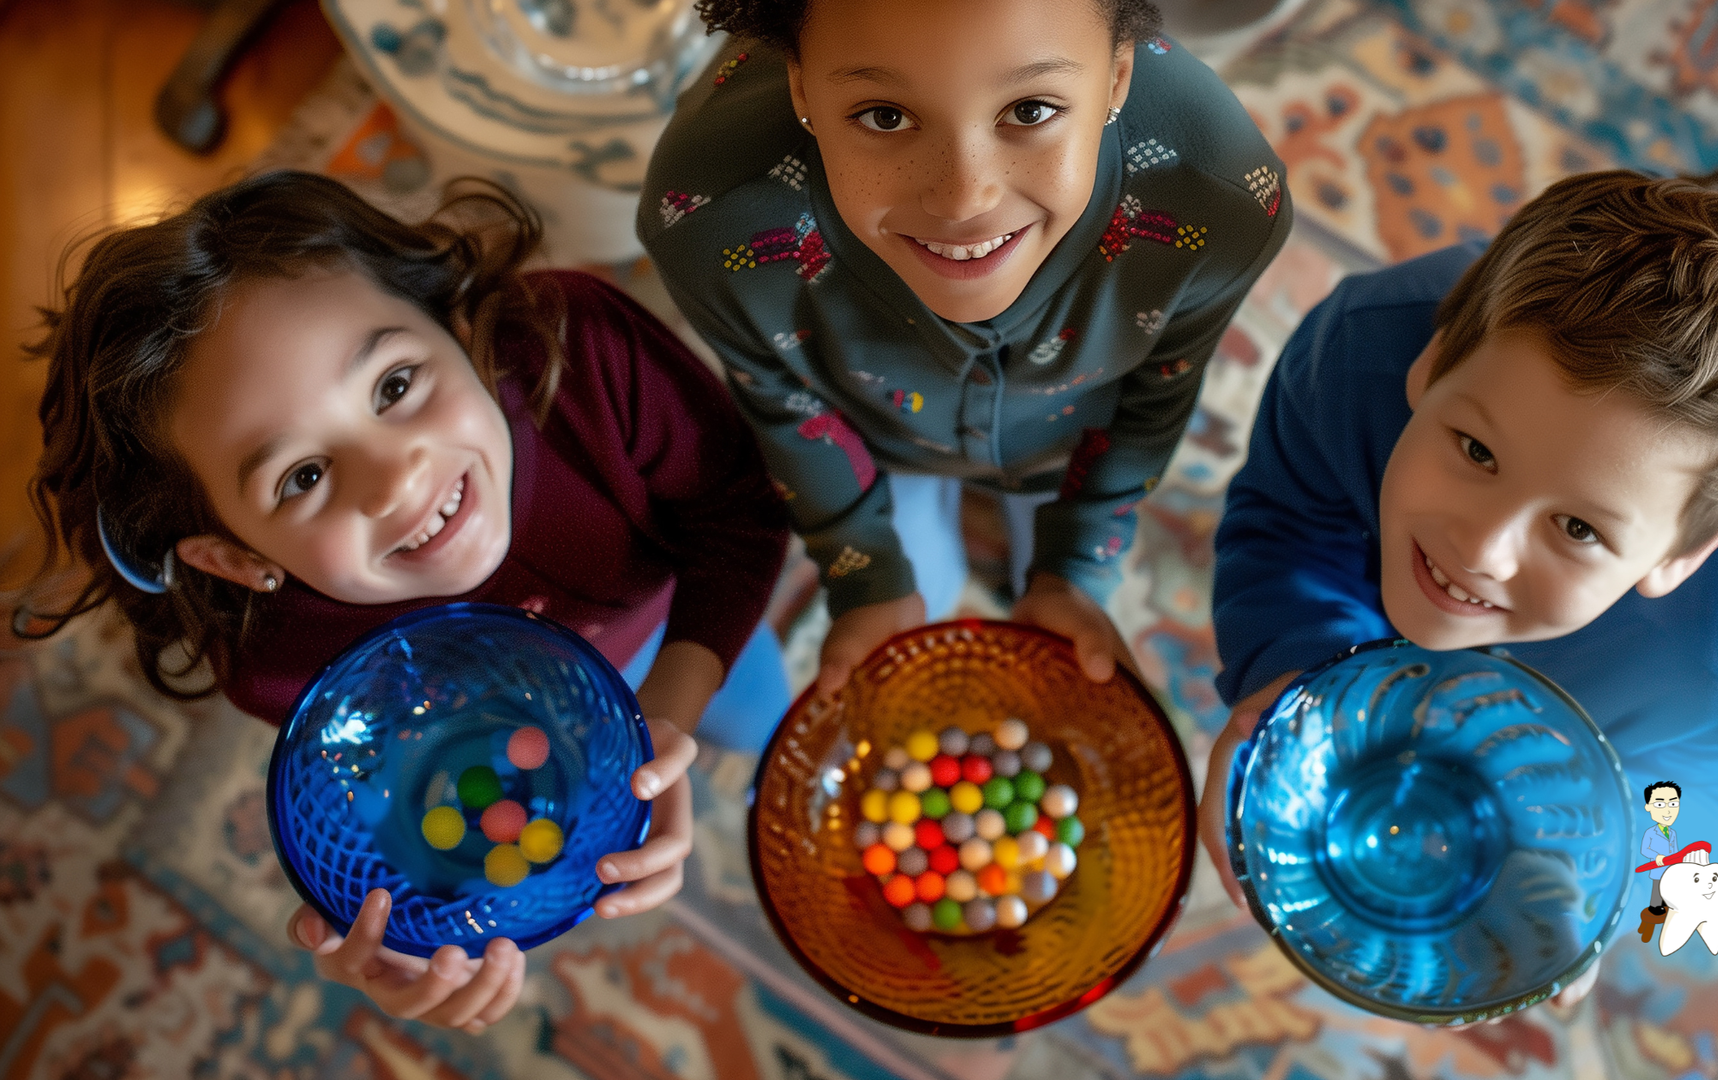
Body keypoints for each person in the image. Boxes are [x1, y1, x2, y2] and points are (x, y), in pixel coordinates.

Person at [15, 171, 793, 1032]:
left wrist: (670, 709)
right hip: (506, 726)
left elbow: (738, 511)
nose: (395, 481)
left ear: (456, 325)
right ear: (236, 558)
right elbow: (399, 807)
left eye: (393, 386)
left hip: (674, 621)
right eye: (303, 477)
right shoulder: (284, 672)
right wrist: (403, 941)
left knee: (759, 720)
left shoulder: (583, 346)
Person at [1200, 168, 1718, 1011]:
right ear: (1434, 362)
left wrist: (1612, 892)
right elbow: (1291, 521)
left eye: (1578, 529)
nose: (1481, 549)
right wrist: (1288, 669)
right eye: (1476, 451)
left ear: (1681, 555)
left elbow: (1713, 797)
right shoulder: (1358, 349)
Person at [639, 0, 1291, 692]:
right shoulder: (710, 224)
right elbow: (783, 399)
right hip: (879, 438)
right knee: (919, 592)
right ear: (801, 87)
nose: (962, 199)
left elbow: (1162, 388)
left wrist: (1073, 569)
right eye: (885, 116)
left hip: (1070, 436)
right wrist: (865, 572)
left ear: (1118, 77)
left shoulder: (1221, 206)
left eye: (1032, 110)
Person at [1639, 780, 1684, 939]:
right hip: (1657, 870)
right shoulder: (1650, 832)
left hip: (1669, 872)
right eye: (1659, 805)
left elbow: (1675, 851)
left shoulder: (1672, 833)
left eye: (1672, 805)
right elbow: (1645, 849)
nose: (1667, 811)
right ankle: (1649, 923)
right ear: (1648, 807)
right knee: (1655, 899)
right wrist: (1656, 856)